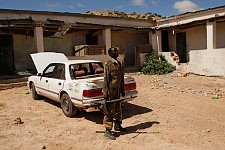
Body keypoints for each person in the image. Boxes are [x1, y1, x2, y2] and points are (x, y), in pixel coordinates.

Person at [102, 47, 126, 140]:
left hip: (118, 91)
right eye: (115, 51)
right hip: (111, 92)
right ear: (111, 53)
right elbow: (106, 80)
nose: (117, 52)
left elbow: (121, 78)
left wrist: (123, 90)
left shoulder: (119, 63)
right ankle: (107, 130)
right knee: (110, 111)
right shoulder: (108, 64)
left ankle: (117, 125)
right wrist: (105, 94)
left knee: (118, 109)